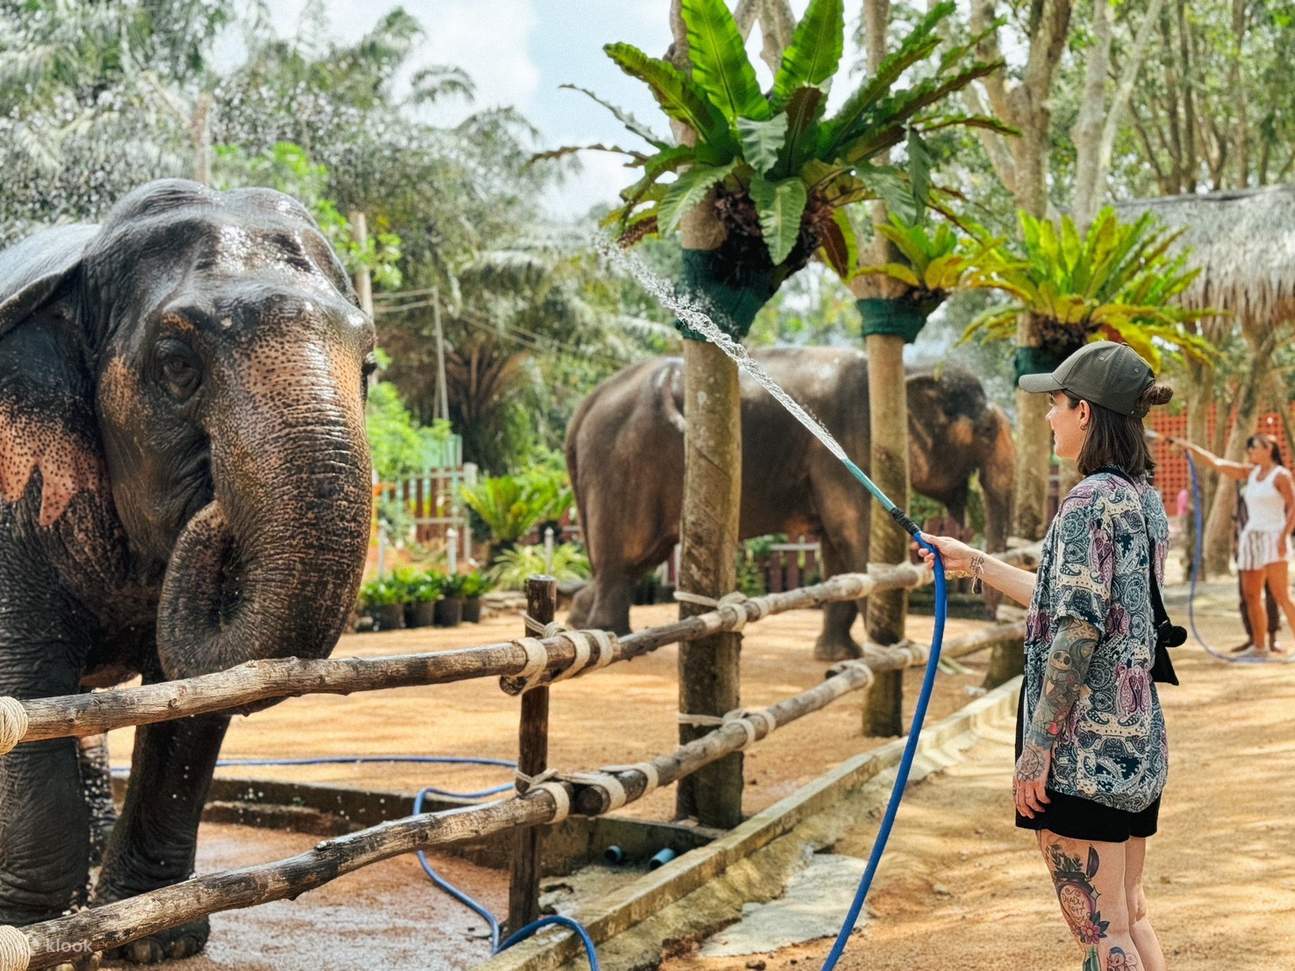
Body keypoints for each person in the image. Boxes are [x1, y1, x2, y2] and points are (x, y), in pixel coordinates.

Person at [918, 341, 1172, 971]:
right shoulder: (1141, 498)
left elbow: (1078, 630)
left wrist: (1037, 749)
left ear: (1084, 412)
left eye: (1056, 404)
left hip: (1081, 756)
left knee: (1102, 934)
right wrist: (975, 561)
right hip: (1135, 746)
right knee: (1130, 916)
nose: (1048, 416)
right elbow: (1079, 601)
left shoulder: (1085, 504)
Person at [1173, 433, 1295, 658]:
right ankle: (1259, 647)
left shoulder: (1281, 475)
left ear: (1268, 448)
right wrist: (1190, 448)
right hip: (1251, 538)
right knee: (1251, 595)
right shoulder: (1251, 473)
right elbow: (1217, 463)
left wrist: (1283, 537)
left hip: (1273, 536)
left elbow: (1293, 507)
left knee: (1281, 594)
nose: (1250, 452)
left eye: (1254, 447)